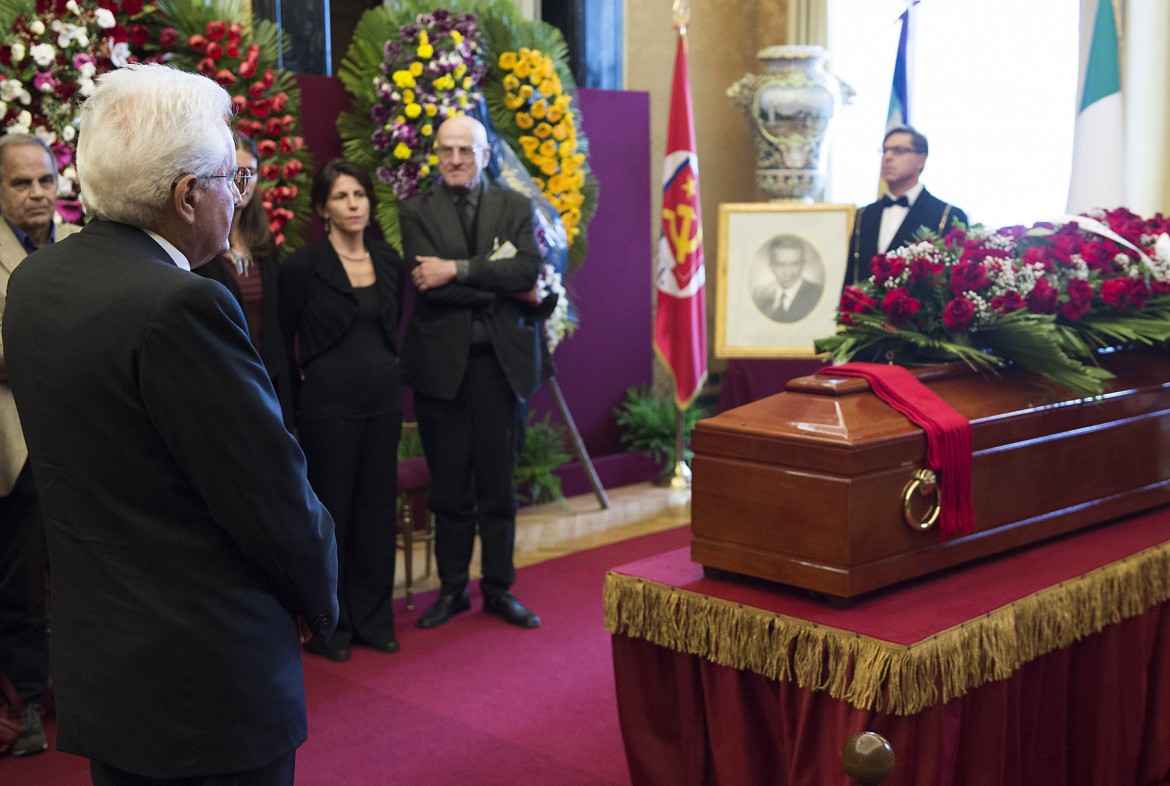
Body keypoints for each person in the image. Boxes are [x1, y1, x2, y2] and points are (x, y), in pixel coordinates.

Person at [2, 64, 338, 785]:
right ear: (190, 195)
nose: (238, 197)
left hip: (109, 671)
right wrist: (319, 599)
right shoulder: (180, 306)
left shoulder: (37, 280)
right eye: (233, 181)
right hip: (206, 684)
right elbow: (267, 496)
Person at [401, 113, 546, 630]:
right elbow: (426, 283)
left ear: (486, 155)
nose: (456, 160)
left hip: (501, 370)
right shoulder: (415, 210)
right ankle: (453, 590)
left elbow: (527, 271)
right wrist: (498, 285)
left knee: (498, 488)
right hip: (442, 372)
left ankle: (501, 589)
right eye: (447, 151)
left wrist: (457, 269)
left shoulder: (515, 205)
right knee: (449, 490)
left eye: (466, 150)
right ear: (436, 155)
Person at [278, 159, 406, 661]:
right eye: (340, 197)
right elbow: (282, 342)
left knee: (377, 516)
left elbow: (391, 332)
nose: (352, 204)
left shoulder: (389, 261)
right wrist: (288, 410)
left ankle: (375, 620)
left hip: (383, 403)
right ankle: (332, 627)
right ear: (322, 209)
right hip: (326, 408)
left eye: (359, 194)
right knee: (334, 517)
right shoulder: (302, 267)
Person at [0, 133, 80, 758]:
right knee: (20, 587)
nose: (36, 195)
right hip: (18, 450)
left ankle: (87, 694)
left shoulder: (83, 247)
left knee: (92, 576)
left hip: (86, 444)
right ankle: (25, 703)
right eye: (20, 183)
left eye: (45, 180)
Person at [193, 130, 293, 428]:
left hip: (268, 380)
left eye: (249, 172)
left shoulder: (265, 245)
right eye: (234, 173)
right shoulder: (199, 246)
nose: (242, 183)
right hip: (219, 387)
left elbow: (278, 325)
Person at [846, 125, 968, 284]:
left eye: (898, 150)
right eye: (884, 151)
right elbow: (851, 274)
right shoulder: (863, 215)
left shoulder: (948, 215)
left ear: (921, 160)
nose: (888, 157)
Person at [751, 234, 823, 323]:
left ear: (802, 265)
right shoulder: (759, 294)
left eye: (794, 264)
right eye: (780, 264)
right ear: (771, 266)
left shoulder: (817, 294)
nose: (787, 272)